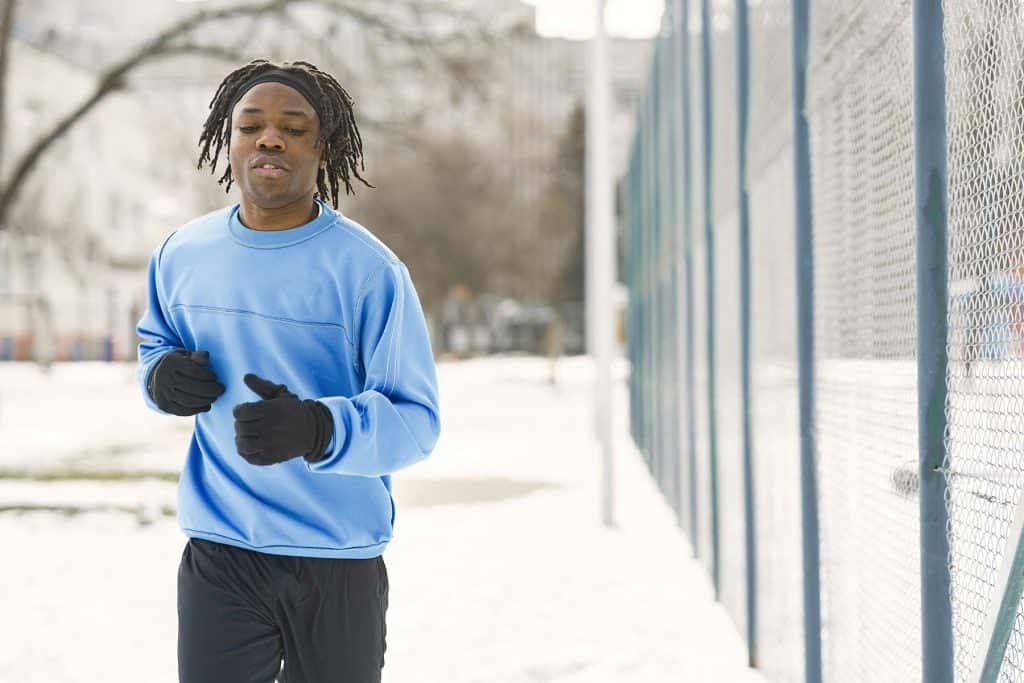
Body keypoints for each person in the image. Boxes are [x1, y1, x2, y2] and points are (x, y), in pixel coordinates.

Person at [135, 59, 442, 683]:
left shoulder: (369, 272)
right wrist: (160, 377)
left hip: (335, 557)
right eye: (251, 125)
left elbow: (416, 421)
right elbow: (154, 341)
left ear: (322, 148)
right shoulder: (181, 254)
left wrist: (316, 429)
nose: (269, 138)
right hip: (222, 551)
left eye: (293, 127)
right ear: (230, 140)